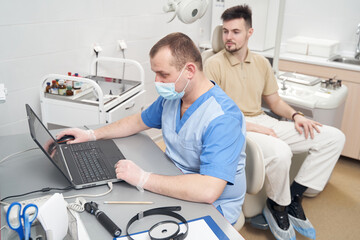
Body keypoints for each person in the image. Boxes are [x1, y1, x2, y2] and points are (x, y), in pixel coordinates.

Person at [57, 32, 247, 224]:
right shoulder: (173, 99)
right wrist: (91, 134)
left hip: (213, 206)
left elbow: (208, 190)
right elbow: (137, 121)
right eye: (155, 73)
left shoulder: (223, 118)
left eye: (163, 74)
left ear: (189, 70)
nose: (157, 81)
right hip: (175, 180)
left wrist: (143, 178)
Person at [204, 5, 345, 240]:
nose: (229, 37)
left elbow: (274, 101)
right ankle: (278, 206)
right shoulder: (213, 64)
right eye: (225, 31)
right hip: (235, 126)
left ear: (250, 33)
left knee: (334, 137)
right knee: (280, 152)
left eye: (235, 32)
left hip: (261, 119)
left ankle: (294, 197)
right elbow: (214, 113)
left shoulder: (261, 63)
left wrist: (296, 116)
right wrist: (253, 127)